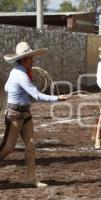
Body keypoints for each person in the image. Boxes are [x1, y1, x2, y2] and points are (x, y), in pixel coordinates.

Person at [1, 42, 69, 187]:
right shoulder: (20, 74)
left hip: (24, 112)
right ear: (23, 59)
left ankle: (31, 179)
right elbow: (36, 95)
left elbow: (7, 88)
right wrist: (57, 98)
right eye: (29, 58)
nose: (32, 60)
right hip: (15, 114)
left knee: (30, 145)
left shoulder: (18, 72)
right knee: (8, 148)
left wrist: (17, 90)